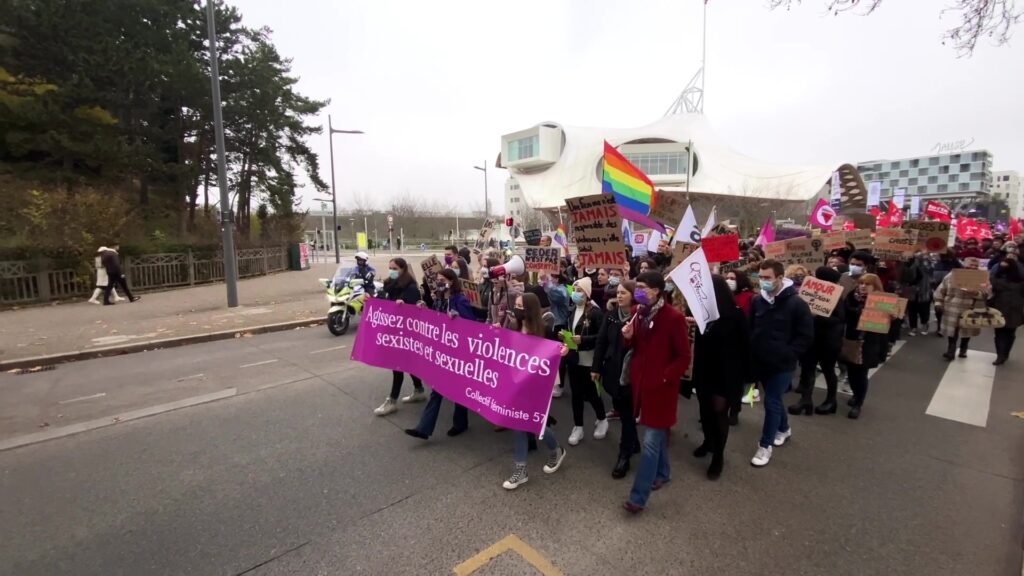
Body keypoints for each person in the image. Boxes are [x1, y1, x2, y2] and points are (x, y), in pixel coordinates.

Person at [622, 272, 692, 513]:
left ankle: (638, 497)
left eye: (642, 287)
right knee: (656, 434)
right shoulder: (637, 313)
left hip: (662, 389)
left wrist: (666, 376)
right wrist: (629, 339)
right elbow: (637, 347)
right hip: (641, 384)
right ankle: (663, 472)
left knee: (651, 441)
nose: (638, 291)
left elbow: (684, 356)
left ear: (656, 290)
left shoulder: (674, 318)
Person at [748, 259, 813, 467]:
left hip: (782, 364)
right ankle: (784, 428)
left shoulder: (797, 304)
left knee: (771, 401)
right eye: (761, 277)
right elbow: (751, 328)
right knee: (773, 400)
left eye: (767, 278)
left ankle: (764, 446)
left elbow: (805, 336)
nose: (763, 281)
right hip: (762, 361)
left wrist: (789, 354)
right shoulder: (758, 301)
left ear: (779, 277)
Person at [502, 292, 568, 490]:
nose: (517, 308)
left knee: (533, 423)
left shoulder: (545, 330)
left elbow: (558, 348)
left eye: (521, 306)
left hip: (537, 385)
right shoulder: (513, 326)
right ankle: (521, 469)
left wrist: (563, 350)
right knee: (519, 422)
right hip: (517, 383)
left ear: (529, 308)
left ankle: (556, 448)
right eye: (516, 305)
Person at [692, 275, 750, 480]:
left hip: (726, 373)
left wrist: (748, 379)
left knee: (718, 414)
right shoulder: (703, 314)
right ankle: (708, 442)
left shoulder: (735, 315)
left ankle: (718, 456)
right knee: (704, 410)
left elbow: (745, 347)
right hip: (704, 370)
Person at [405, 269, 474, 440]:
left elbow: (471, 324)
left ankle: (460, 423)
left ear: (451, 281)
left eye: (442, 279)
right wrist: (425, 309)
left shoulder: (460, 300)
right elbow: (435, 320)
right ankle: (424, 428)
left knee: (457, 390)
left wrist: (458, 318)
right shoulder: (439, 300)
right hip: (442, 352)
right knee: (437, 389)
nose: (439, 282)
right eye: (437, 279)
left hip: (457, 353)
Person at [592, 279, 640, 479]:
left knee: (627, 415)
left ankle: (624, 455)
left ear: (634, 295)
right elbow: (601, 341)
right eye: (618, 292)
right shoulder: (611, 316)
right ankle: (634, 442)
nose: (619, 296)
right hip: (612, 370)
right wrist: (596, 367)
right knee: (621, 407)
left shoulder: (640, 317)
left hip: (631, 374)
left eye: (624, 293)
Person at [788, 266, 846, 416]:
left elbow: (839, 319)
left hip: (829, 340)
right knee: (808, 369)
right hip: (810, 337)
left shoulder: (836, 297)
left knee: (828, 370)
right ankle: (805, 400)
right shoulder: (808, 293)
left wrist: (818, 315)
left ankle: (831, 400)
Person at [373, 258, 427, 416]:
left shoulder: (410, 287)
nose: (391, 271)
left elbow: (415, 311)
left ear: (403, 269)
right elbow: (384, 302)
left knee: (397, 365)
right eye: (390, 268)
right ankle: (419, 390)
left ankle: (392, 401)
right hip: (393, 330)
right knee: (407, 363)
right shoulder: (389, 284)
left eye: (395, 268)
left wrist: (404, 305)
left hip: (405, 334)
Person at [565, 277, 609, 445]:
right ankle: (578, 427)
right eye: (574, 290)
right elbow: (572, 331)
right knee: (576, 394)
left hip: (589, 361)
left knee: (591, 393)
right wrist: (566, 337)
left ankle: (602, 419)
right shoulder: (572, 310)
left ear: (587, 293)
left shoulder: (596, 313)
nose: (575, 294)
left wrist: (583, 339)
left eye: (579, 291)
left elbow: (601, 337)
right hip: (574, 359)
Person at [841, 273, 890, 419]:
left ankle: (858, 403)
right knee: (851, 370)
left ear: (875, 287)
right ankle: (856, 395)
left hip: (870, 342)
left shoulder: (883, 301)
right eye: (861, 283)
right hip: (851, 338)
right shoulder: (851, 297)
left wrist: (892, 316)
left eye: (866, 284)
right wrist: (857, 311)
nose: (862, 286)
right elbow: (844, 313)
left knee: (861, 373)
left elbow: (887, 328)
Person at [934, 257, 991, 361]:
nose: (972, 267)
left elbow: (987, 293)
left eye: (975, 265)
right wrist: (938, 302)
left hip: (970, 306)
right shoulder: (953, 275)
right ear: (964, 265)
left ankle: (963, 349)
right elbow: (941, 289)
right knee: (953, 331)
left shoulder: (981, 277)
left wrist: (975, 293)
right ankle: (951, 350)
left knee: (967, 330)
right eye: (970, 265)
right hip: (952, 306)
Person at [989, 255, 1023, 365]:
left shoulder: (996, 280)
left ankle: (1001, 354)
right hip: (1014, 309)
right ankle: (1003, 354)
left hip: (1003, 308)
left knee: (1000, 333)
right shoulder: (1020, 282)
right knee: (1009, 333)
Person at [545, 273, 571, 398]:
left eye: (553, 277)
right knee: (554, 355)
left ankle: (559, 386)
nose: (551, 280)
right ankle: (555, 383)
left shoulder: (562, 290)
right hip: (556, 323)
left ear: (557, 279)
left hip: (561, 325)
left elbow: (557, 296)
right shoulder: (556, 288)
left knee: (560, 357)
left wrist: (547, 282)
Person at [931, 249, 962, 337]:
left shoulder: (954, 263)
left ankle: (944, 328)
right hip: (938, 289)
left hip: (950, 291)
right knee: (938, 309)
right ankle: (940, 328)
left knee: (946, 311)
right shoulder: (937, 263)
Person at [903, 252, 934, 336]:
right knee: (912, 309)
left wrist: (924, 258)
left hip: (923, 290)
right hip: (911, 289)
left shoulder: (927, 263)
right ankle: (914, 327)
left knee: (923, 309)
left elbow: (930, 269)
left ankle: (925, 325)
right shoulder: (908, 263)